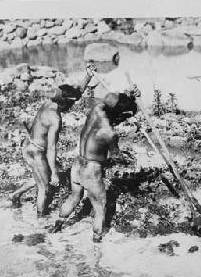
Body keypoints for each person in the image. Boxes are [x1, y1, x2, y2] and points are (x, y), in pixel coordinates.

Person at [51, 84, 141, 242]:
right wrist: (126, 157)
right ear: (119, 114)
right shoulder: (110, 133)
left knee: (73, 197)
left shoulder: (97, 109)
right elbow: (116, 156)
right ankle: (97, 244)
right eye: (124, 116)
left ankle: (57, 226)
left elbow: (112, 101)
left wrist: (129, 95)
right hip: (91, 171)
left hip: (77, 165)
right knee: (100, 208)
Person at [9, 62, 97, 216]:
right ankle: (40, 219)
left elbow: (75, 93)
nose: (73, 105)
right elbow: (51, 148)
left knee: (40, 177)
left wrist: (88, 76)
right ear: (65, 103)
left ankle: (15, 195)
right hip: (36, 151)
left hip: (28, 145)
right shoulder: (55, 119)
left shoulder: (49, 102)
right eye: (70, 103)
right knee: (45, 187)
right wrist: (55, 172)